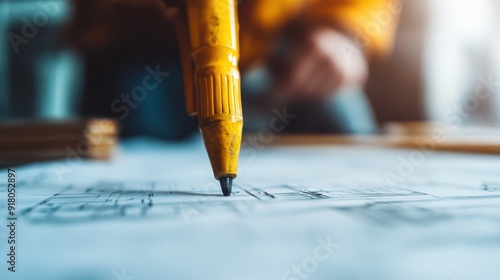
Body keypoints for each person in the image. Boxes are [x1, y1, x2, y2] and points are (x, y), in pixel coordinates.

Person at [67, 0, 400, 139]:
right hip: (143, 49)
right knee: (134, 120)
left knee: (342, 118)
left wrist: (344, 33)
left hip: (285, 49)